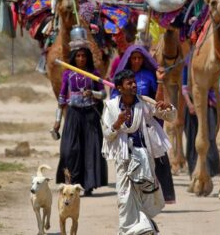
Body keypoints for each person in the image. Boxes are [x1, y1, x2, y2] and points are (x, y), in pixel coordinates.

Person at [102, 69, 176, 235]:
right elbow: (107, 135)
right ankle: (131, 231)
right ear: (120, 88)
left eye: (134, 82)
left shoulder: (145, 104)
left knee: (145, 196)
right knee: (124, 197)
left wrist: (166, 107)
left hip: (144, 158)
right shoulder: (111, 107)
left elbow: (168, 116)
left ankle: (143, 227)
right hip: (123, 159)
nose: (134, 85)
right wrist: (117, 123)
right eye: (129, 83)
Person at [111, 45, 176, 203]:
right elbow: (113, 100)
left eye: (140, 58)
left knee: (157, 158)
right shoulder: (121, 77)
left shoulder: (148, 75)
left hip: (146, 122)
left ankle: (162, 196)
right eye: (134, 58)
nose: (137, 61)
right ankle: (131, 197)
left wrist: (160, 80)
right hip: (128, 123)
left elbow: (157, 101)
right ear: (128, 59)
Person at [53, 46, 108, 196]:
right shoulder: (67, 74)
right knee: (69, 150)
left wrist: (93, 93)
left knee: (90, 149)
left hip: (90, 116)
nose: (81, 59)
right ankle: (71, 182)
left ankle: (88, 185)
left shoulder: (94, 73)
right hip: (73, 115)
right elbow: (62, 98)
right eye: (78, 56)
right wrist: (57, 121)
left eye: (84, 56)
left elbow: (103, 94)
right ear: (74, 58)